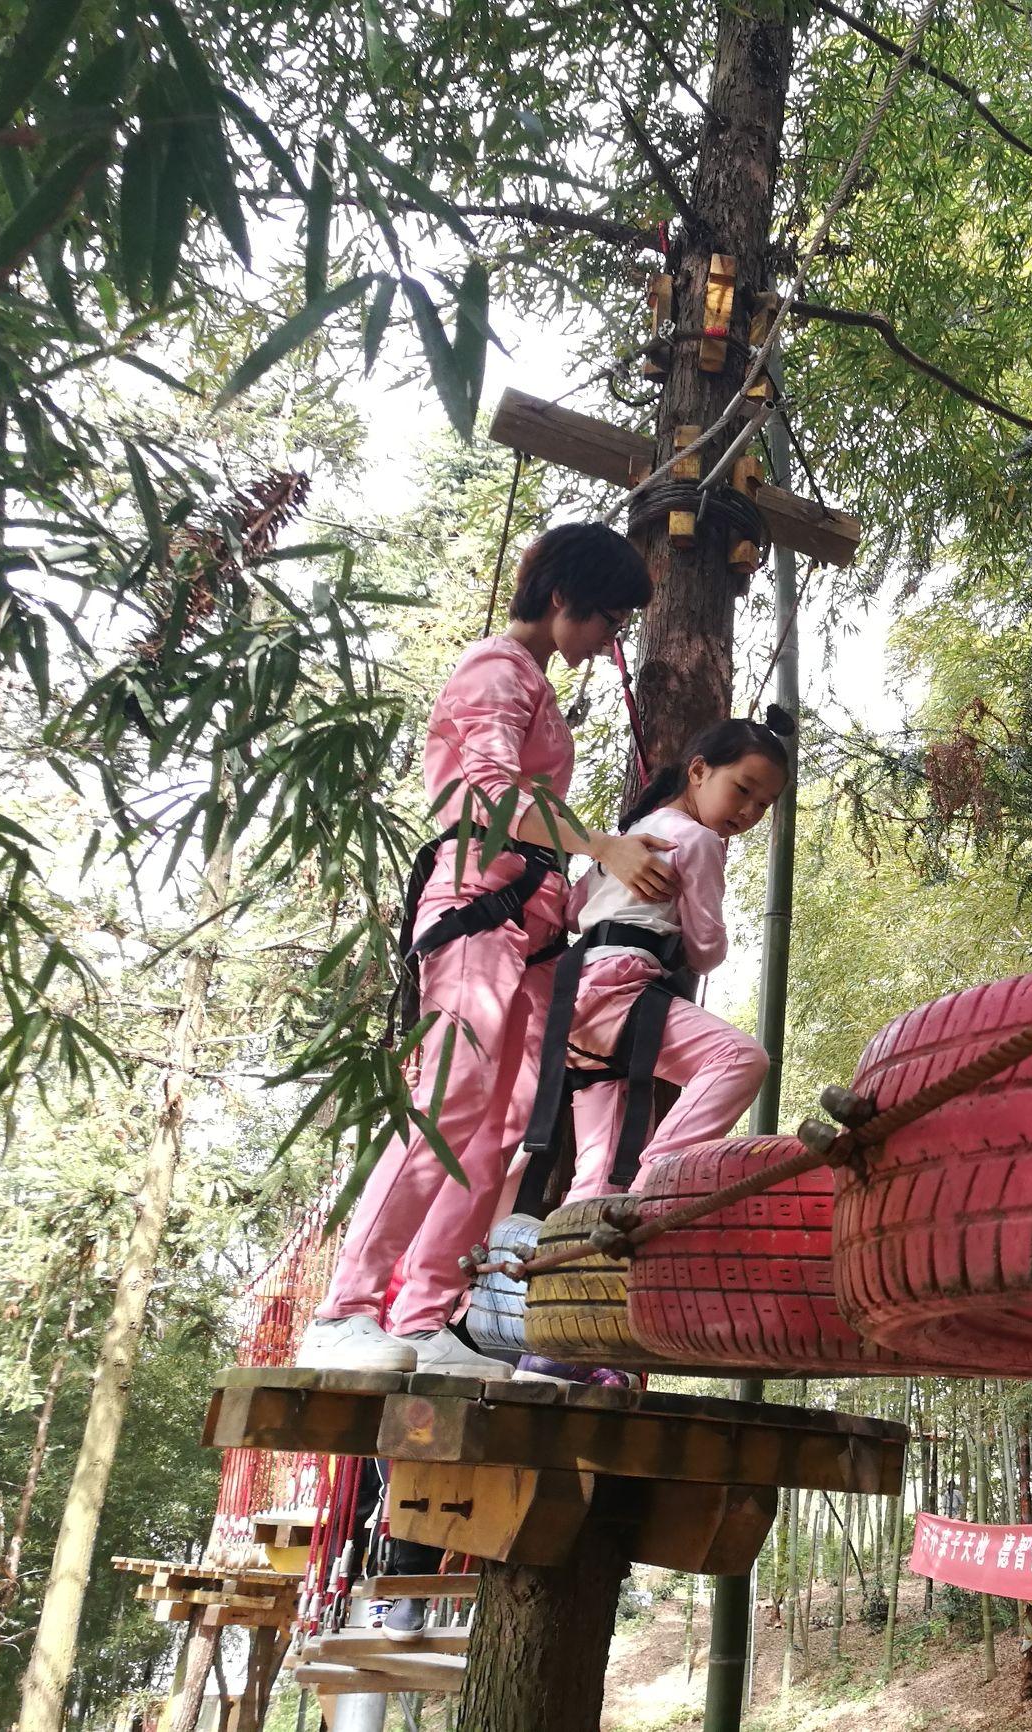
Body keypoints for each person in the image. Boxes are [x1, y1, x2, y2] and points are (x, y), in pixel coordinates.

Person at [298, 523, 678, 1375]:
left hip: (533, 925)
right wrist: (603, 848)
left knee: (499, 1125)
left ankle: (427, 1316)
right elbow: (489, 793)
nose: (610, 638)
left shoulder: (533, 683)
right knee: (448, 1100)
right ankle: (345, 1308)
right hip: (478, 908)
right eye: (609, 618)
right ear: (560, 600)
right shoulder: (497, 672)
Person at [509, 721, 786, 1383]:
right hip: (622, 988)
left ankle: (555, 1351)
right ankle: (663, 1176)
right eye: (741, 790)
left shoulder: (627, 837)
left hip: (571, 1002)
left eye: (760, 807)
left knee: (595, 1178)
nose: (745, 813)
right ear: (698, 772)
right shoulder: (699, 839)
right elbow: (708, 947)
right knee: (740, 1060)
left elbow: (575, 909)